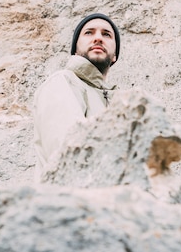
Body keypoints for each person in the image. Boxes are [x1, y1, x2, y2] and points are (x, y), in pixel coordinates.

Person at [33, 13, 120, 178]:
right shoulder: (63, 82)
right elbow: (69, 156)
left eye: (106, 34)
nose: (98, 38)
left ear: (115, 55)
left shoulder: (116, 102)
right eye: (89, 33)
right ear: (75, 49)